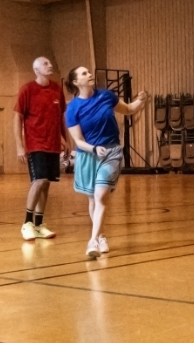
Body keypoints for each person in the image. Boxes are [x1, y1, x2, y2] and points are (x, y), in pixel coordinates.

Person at [65, 66, 148, 259]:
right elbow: (78, 141)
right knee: (93, 198)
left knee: (101, 195)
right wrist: (93, 149)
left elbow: (127, 109)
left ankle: (92, 241)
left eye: (89, 72)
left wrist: (140, 101)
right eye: (84, 73)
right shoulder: (73, 109)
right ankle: (101, 235)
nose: (89, 75)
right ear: (76, 82)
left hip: (111, 152)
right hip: (89, 154)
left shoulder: (106, 96)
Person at [14, 57, 67, 242]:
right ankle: (27, 223)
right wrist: (20, 146)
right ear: (36, 69)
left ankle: (38, 224)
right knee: (39, 180)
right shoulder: (27, 90)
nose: (50, 65)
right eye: (45, 64)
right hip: (35, 144)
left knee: (46, 184)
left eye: (50, 63)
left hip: (53, 145)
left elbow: (60, 117)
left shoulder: (56, 90)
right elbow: (17, 118)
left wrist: (65, 140)